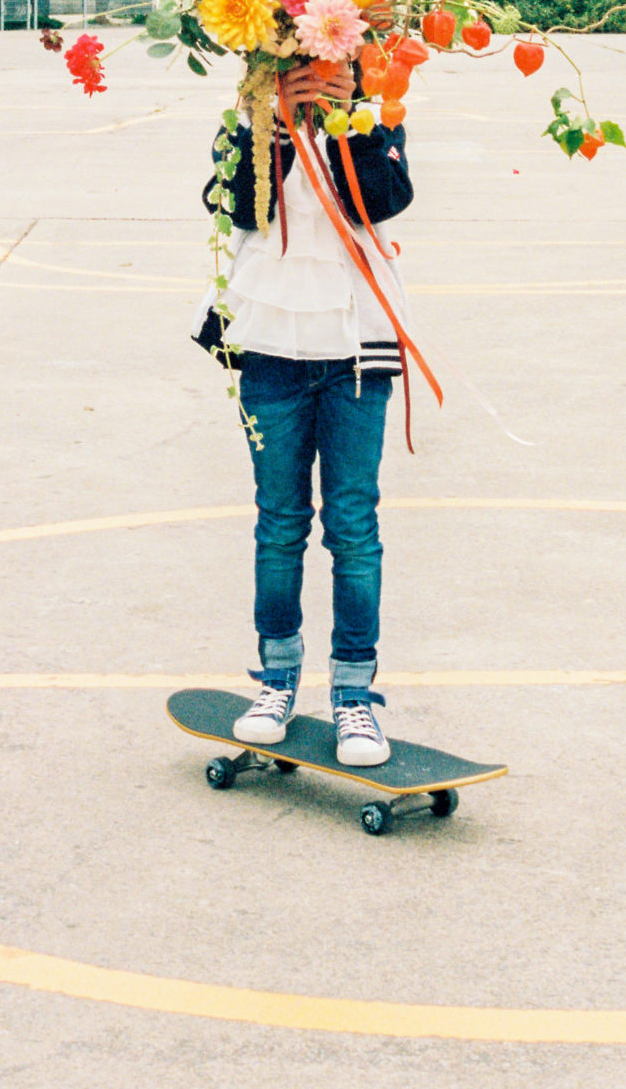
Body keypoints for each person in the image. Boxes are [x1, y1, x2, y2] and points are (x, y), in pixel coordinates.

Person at [193, 58, 413, 767]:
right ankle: (276, 681)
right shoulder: (250, 120)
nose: (316, 74)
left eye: (330, 62)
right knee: (280, 521)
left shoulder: (377, 113)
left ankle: (354, 695)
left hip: (356, 343)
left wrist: (352, 120)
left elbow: (379, 201)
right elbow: (240, 207)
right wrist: (274, 120)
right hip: (268, 343)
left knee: (352, 525)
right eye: (301, 63)